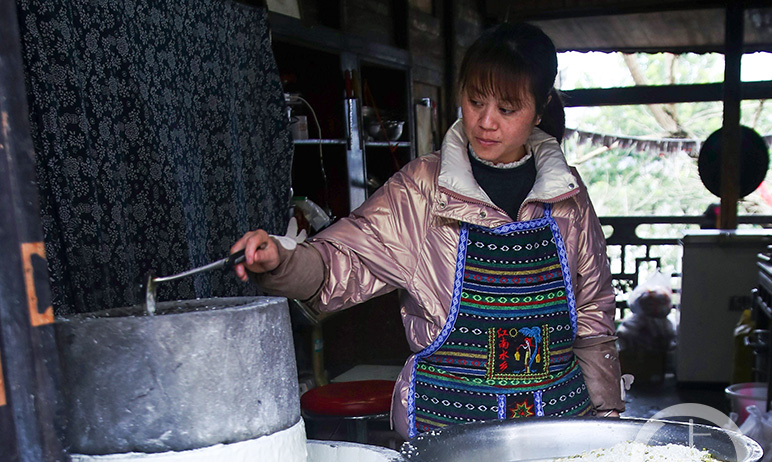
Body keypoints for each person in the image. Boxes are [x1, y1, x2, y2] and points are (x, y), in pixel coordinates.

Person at [232, 22, 624, 439]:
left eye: (507, 109)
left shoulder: (568, 195)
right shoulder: (423, 189)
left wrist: (607, 421)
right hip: (449, 430)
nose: (486, 122)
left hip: (557, 427)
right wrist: (283, 259)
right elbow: (342, 262)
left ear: (540, 107)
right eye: (474, 101)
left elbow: (594, 316)